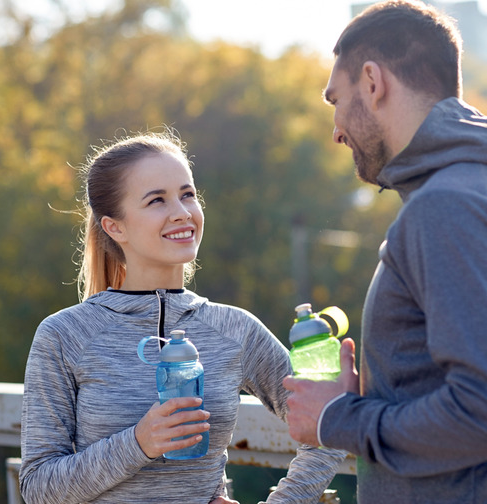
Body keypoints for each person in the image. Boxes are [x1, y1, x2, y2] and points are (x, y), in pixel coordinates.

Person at [283, 1, 487, 503]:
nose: (337, 130)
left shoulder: (446, 206)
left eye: (336, 100)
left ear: (372, 81)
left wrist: (338, 418)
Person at [19, 129, 345, 504]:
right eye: (157, 200)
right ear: (115, 226)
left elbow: (329, 423)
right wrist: (140, 442)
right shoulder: (64, 335)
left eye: (187, 194)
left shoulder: (234, 329)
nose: (182, 213)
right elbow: (38, 488)